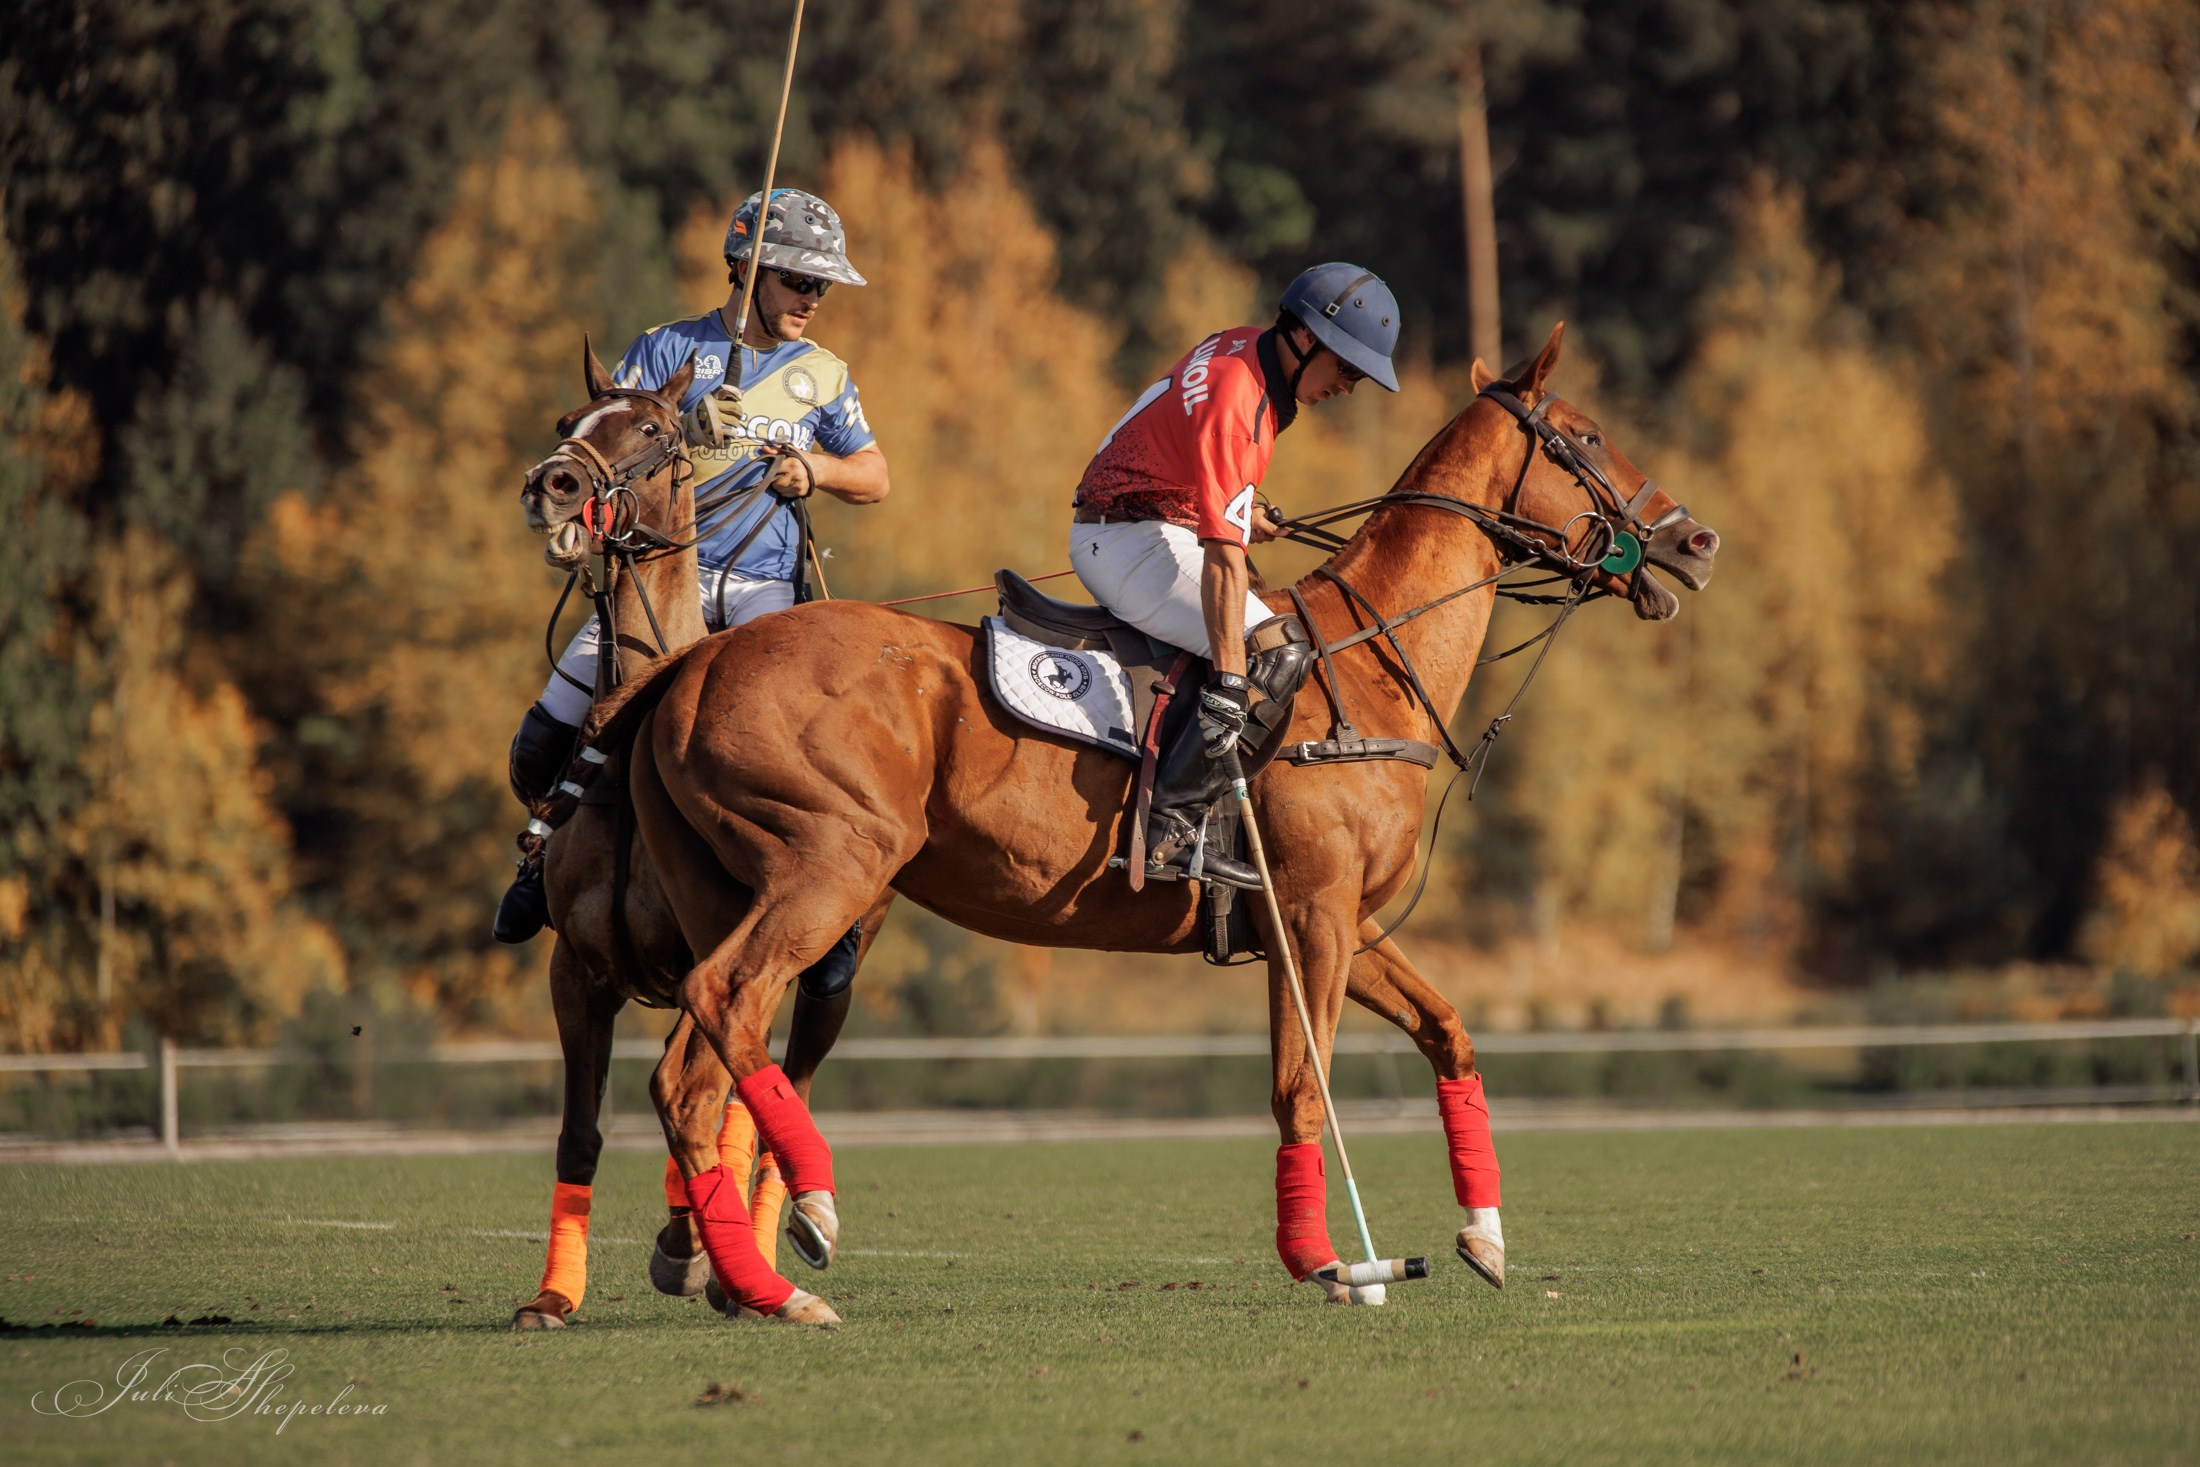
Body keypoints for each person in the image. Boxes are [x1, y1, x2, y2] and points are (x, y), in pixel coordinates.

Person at [493, 187, 890, 944]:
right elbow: (612, 456)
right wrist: (692, 443)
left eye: (822, 284)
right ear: (745, 267)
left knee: (807, 746)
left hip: (762, 584)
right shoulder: (666, 349)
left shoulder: (824, 374)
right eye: (797, 279)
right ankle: (539, 857)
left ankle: (826, 905)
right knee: (548, 733)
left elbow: (876, 474)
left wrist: (815, 470)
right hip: (658, 578)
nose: (813, 297)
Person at [1069, 263, 1401, 889]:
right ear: (1305, 339)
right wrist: (1229, 677)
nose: (1350, 387)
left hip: (1139, 520)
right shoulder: (1240, 402)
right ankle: (1173, 825)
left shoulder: (1240, 344)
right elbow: (1223, 556)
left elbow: (1194, 452)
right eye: (1348, 369)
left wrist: (1245, 506)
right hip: (1129, 541)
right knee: (1275, 653)